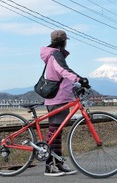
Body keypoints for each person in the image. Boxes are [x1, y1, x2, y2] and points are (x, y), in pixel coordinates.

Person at [40, 30, 89, 176]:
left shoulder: (55, 54)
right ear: (63, 41)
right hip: (57, 98)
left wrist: (77, 84)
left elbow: (63, 76)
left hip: (62, 97)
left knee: (58, 133)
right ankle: (49, 165)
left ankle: (59, 162)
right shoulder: (55, 54)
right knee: (54, 132)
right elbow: (63, 71)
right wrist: (79, 79)